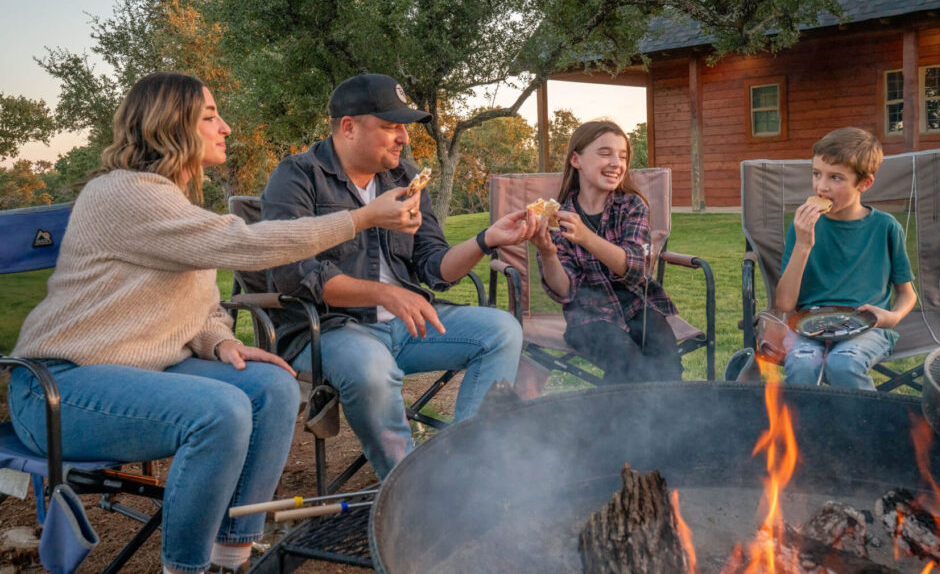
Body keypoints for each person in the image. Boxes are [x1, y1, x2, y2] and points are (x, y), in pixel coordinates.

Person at [8, 72, 421, 574]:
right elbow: (245, 246)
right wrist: (359, 218)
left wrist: (220, 340)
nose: (225, 127)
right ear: (170, 125)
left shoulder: (173, 200)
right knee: (221, 410)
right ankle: (185, 568)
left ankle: (231, 559)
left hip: (144, 375)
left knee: (273, 386)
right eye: (209, 117)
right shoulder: (124, 194)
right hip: (57, 388)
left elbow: (198, 303)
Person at [261, 72, 532, 478]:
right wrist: (384, 295)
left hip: (405, 327)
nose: (404, 137)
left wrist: (486, 239)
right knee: (370, 367)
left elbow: (434, 266)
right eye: (390, 127)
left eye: (404, 127)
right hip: (330, 331)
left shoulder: (403, 177)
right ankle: (410, 487)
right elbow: (295, 275)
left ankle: (469, 472)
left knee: (502, 331)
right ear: (348, 127)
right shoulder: (298, 176)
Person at [529, 120, 682, 384]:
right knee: (628, 365)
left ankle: (658, 425)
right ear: (576, 160)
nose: (616, 163)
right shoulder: (558, 217)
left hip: (638, 305)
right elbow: (564, 291)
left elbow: (636, 268)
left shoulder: (632, 206)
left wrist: (586, 237)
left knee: (667, 363)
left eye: (622, 156)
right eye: (605, 153)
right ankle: (619, 424)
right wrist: (548, 253)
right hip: (588, 317)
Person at [775, 126, 917, 390]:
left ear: (864, 183)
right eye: (816, 174)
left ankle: (864, 429)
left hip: (867, 326)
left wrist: (893, 317)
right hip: (807, 324)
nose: (821, 186)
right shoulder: (803, 225)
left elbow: (907, 294)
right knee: (803, 365)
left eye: (836, 178)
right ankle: (803, 429)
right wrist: (803, 244)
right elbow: (785, 303)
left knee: (844, 364)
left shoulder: (885, 227)